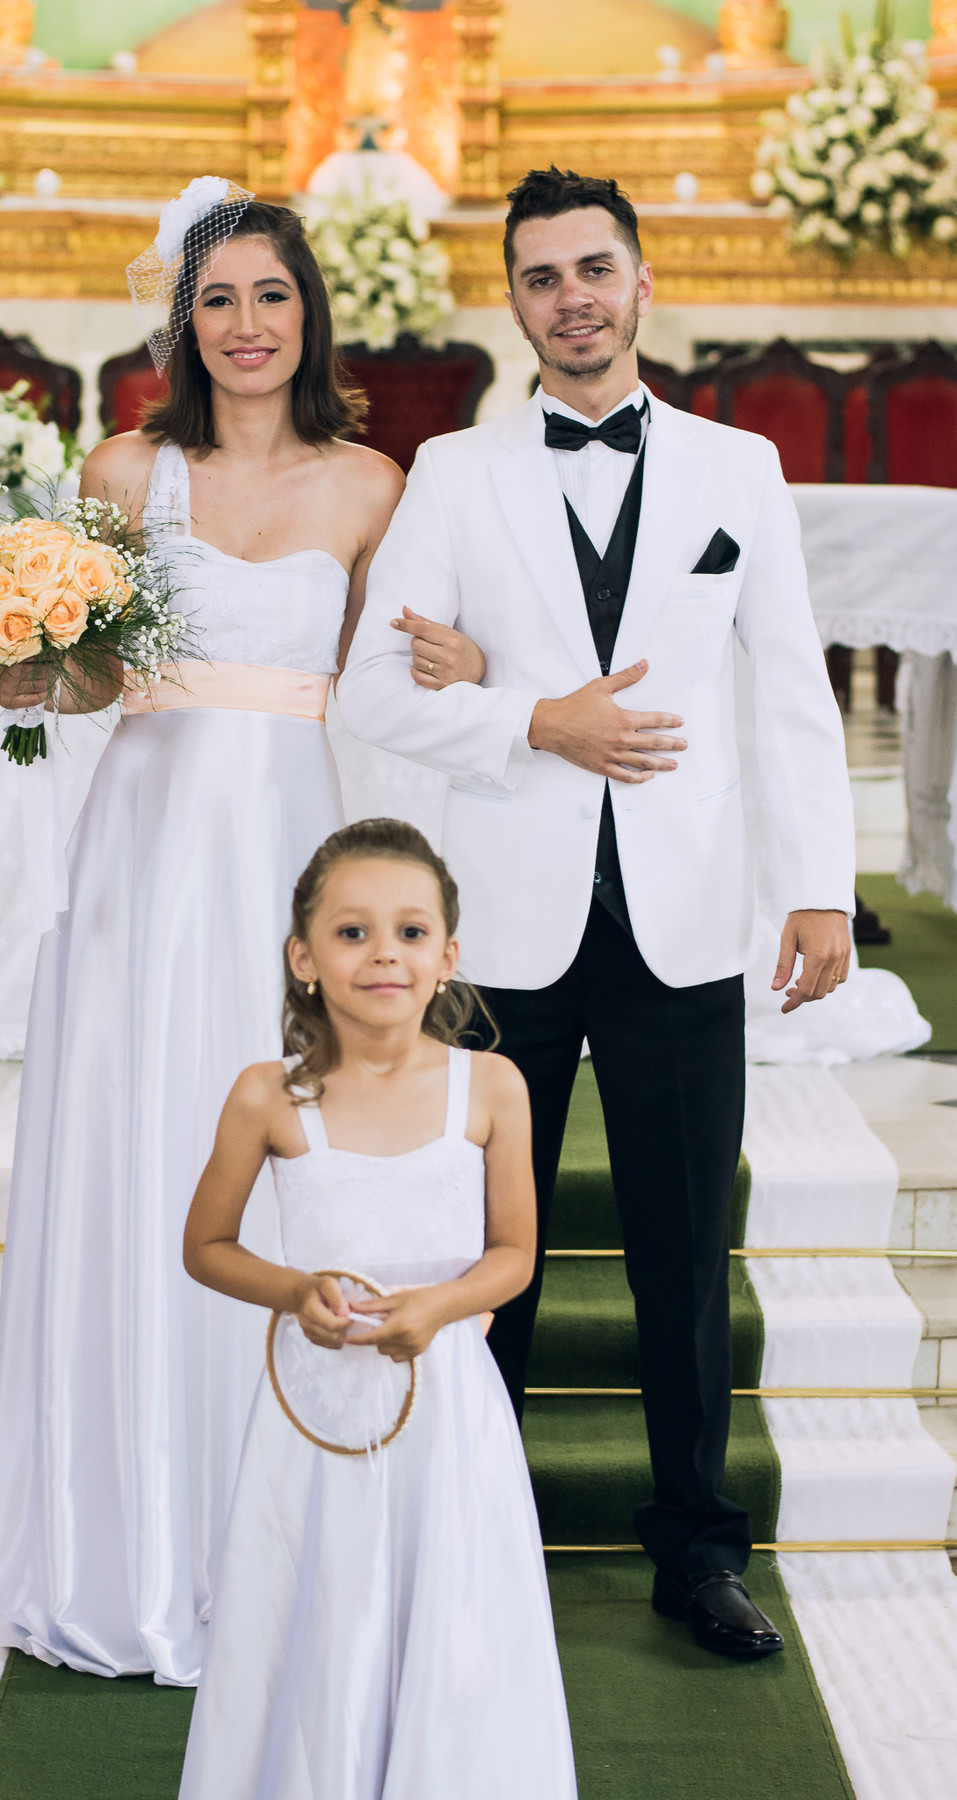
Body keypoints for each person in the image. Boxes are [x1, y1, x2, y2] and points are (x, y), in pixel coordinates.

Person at [336, 168, 856, 1659]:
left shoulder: (738, 470)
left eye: (593, 269)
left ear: (640, 282)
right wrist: (527, 720)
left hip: (686, 921)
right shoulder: (452, 471)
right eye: (541, 276)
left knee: (682, 1254)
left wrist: (816, 884)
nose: (570, 297)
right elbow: (373, 685)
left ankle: (698, 1556)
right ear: (511, 300)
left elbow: (786, 690)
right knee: (478, 1246)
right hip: (500, 931)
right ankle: (469, 1550)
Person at [0, 184, 415, 1683]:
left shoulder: (370, 486)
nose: (247, 326)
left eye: (272, 296)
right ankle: (122, 1543)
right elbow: (81, 685)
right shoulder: (125, 468)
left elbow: (393, 695)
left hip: (286, 857)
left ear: (309, 313)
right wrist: (28, 669)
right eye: (218, 301)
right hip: (143, 857)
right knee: (134, 1151)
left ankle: (270, 1540)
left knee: (280, 1157)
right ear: (182, 323)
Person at [178, 818, 577, 1799]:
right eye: (352, 933)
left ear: (448, 955)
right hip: (312, 1409)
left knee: (451, 1602)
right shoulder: (266, 1096)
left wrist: (439, 1307)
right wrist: (295, 1291)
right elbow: (207, 1247)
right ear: (303, 958)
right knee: (320, 1599)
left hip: (444, 1400)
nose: (383, 954)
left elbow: (515, 1255)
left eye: (409, 931)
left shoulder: (492, 1086)